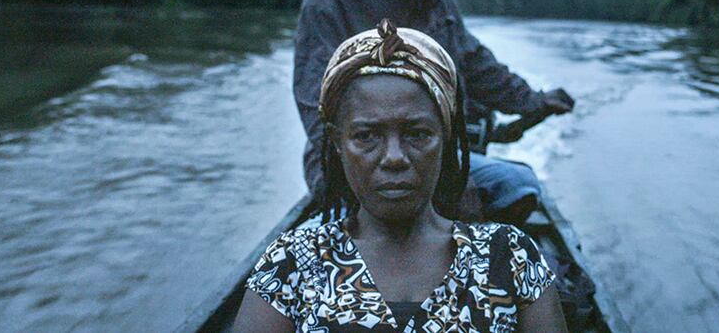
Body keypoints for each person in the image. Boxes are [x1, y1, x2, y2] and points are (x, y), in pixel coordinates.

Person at [235, 21, 568, 332]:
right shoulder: (292, 262)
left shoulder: (510, 257)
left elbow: (477, 60)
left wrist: (531, 101)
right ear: (337, 143)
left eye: (418, 134)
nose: (394, 157)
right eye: (366, 136)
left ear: (447, 137)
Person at [294, 0, 575, 223]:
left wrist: (531, 99)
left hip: (428, 152)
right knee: (368, 230)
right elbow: (314, 103)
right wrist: (435, 184)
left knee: (520, 187)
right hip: (355, 163)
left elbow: (469, 57)